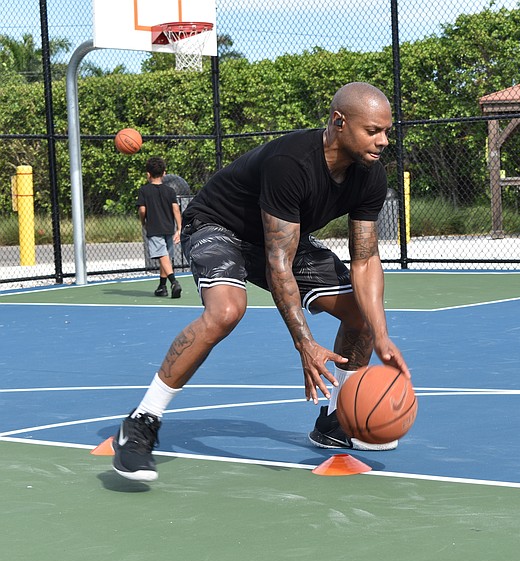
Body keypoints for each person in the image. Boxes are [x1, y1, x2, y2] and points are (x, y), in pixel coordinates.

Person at [112, 82, 411, 481]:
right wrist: (305, 343)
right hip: (218, 225)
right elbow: (277, 263)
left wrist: (381, 333)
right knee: (226, 311)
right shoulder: (292, 163)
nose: (384, 140)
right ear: (339, 122)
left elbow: (366, 258)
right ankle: (141, 421)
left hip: (277, 240)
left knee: (362, 315)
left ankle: (337, 420)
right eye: (373, 130)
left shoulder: (369, 174)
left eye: (386, 131)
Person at [137, 157, 182, 299]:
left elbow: (142, 210)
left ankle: (174, 282)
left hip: (154, 228)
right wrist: (179, 228)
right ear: (164, 173)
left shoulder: (144, 190)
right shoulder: (170, 191)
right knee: (165, 257)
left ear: (148, 174)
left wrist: (143, 222)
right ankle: (162, 287)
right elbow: (176, 209)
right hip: (169, 227)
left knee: (162, 256)